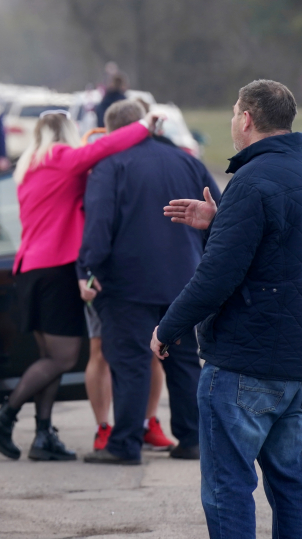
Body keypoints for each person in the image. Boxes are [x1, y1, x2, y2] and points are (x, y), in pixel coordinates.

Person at [155, 80, 302, 538]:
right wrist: (221, 219)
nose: (232, 121)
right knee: (291, 486)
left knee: (229, 488)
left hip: (244, 363)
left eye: (233, 113)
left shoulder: (251, 180)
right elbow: (282, 252)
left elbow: (216, 277)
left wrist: (167, 328)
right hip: (295, 365)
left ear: (247, 119)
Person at [0, 108, 158, 461]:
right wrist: (143, 125)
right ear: (66, 133)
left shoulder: (28, 168)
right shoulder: (60, 158)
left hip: (30, 269)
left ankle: (43, 436)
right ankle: (4, 416)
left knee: (49, 357)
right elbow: (101, 149)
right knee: (63, 357)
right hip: (55, 268)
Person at [77, 100, 218, 465]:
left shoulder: (110, 167)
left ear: (113, 133)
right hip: (185, 282)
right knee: (185, 361)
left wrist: (87, 270)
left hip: (128, 284)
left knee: (130, 361)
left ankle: (124, 444)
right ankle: (192, 440)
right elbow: (219, 217)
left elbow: (98, 229)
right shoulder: (188, 161)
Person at [84, 301, 172, 453]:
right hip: (108, 286)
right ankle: (102, 428)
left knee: (152, 347)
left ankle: (147, 424)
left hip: (150, 286)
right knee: (100, 347)